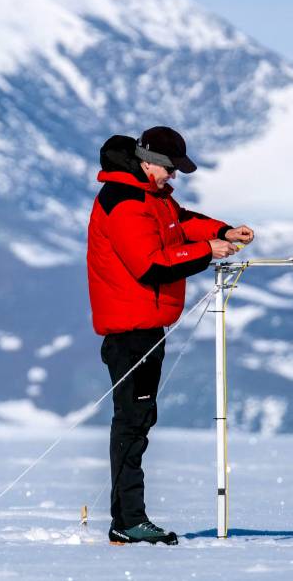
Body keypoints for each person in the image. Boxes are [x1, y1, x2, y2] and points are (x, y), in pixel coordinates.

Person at [86, 126, 254, 545]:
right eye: (169, 170)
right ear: (148, 163)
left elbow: (182, 223)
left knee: (138, 421)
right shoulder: (124, 201)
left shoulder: (152, 198)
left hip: (146, 327)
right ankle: (128, 521)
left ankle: (126, 520)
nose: (173, 178)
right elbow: (151, 265)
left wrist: (224, 231)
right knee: (133, 424)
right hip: (130, 333)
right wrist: (206, 252)